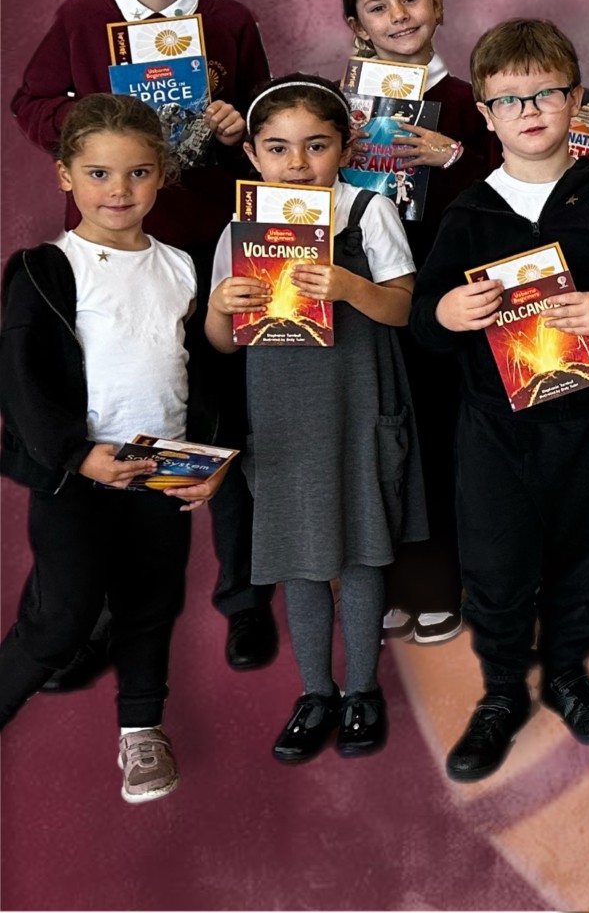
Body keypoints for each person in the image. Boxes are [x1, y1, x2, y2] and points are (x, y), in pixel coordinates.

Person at [9, 0, 278, 675]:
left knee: (220, 416)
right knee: (108, 410)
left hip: (204, 248)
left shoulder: (229, 21)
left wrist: (236, 126)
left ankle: (243, 597)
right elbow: (30, 103)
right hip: (110, 252)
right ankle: (91, 614)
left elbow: (266, 129)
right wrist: (95, 126)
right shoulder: (82, 16)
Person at [409, 19, 589, 781]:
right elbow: (423, 323)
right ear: (485, 113)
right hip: (495, 429)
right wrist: (450, 312)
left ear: (575, 99)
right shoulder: (468, 213)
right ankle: (503, 689)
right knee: (497, 561)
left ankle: (568, 673)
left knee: (582, 554)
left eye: (545, 93)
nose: (530, 109)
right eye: (510, 99)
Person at [0, 95, 228, 801]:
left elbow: (205, 372)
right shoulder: (45, 267)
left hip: (159, 467)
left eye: (137, 172)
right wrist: (75, 454)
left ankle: (142, 731)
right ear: (66, 175)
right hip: (78, 473)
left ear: (161, 175)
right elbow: (21, 377)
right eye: (98, 173)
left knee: (149, 602)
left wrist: (211, 460)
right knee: (60, 617)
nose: (118, 190)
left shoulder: (183, 267)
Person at [205, 76, 426, 762]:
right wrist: (220, 307)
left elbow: (403, 309)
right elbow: (223, 342)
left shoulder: (368, 210)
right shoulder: (240, 228)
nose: (297, 162)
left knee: (361, 547)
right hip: (281, 415)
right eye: (277, 147)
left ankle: (361, 688)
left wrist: (351, 286)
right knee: (297, 555)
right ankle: (316, 692)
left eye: (316, 145)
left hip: (358, 405)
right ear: (252, 155)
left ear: (346, 148)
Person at [341, 0, 499, 648]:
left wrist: (453, 155)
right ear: (357, 25)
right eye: (378, 7)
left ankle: (438, 581)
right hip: (367, 291)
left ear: (437, 4)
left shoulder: (471, 99)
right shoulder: (340, 104)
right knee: (378, 437)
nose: (398, 16)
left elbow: (514, 188)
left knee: (438, 437)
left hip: (446, 295)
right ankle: (387, 581)